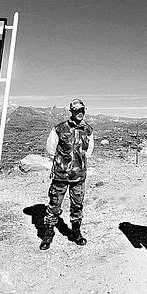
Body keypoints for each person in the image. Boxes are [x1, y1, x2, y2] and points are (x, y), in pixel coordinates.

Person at [40, 98, 94, 250]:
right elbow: (51, 149)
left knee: (77, 205)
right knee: (54, 205)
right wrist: (60, 163)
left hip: (79, 176)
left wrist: (79, 162)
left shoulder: (88, 129)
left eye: (82, 110)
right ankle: (48, 234)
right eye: (77, 110)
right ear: (72, 111)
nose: (80, 113)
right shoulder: (59, 128)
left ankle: (76, 232)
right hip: (61, 175)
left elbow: (89, 150)